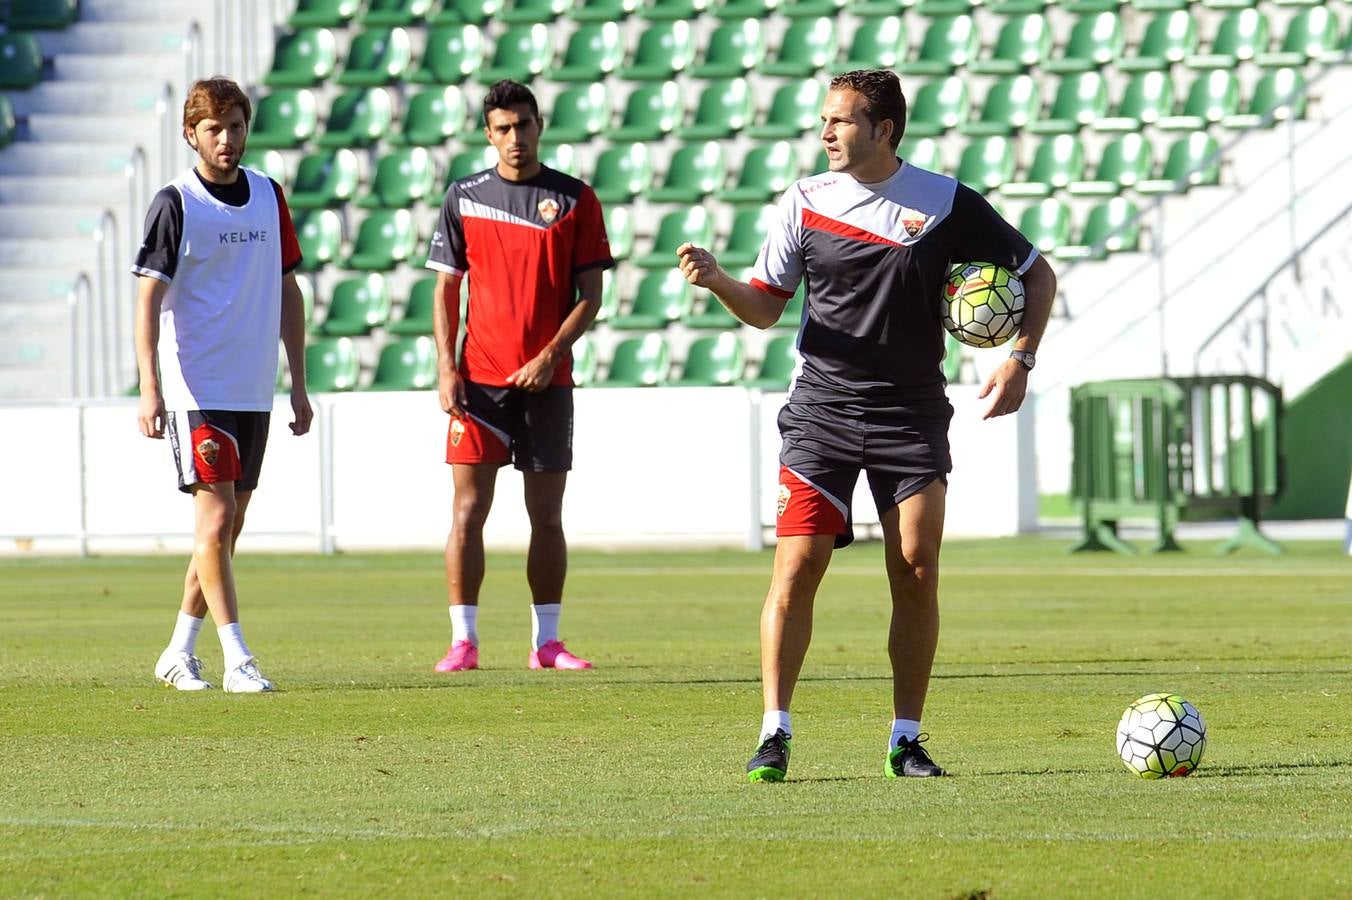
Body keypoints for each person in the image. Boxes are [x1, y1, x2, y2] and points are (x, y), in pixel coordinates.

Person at [677, 69, 1057, 781]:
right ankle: (774, 733)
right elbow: (765, 305)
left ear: (884, 130)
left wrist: (1020, 360)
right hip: (820, 411)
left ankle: (905, 740)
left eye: (841, 121)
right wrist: (718, 279)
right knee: (797, 566)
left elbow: (1038, 275)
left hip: (910, 415)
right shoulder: (805, 200)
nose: (825, 133)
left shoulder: (945, 202)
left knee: (916, 569)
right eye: (824, 121)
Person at [425, 80, 613, 672]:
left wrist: (550, 355)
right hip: (477, 383)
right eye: (503, 128)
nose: (515, 138)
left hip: (547, 384)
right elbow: (446, 288)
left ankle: (547, 643)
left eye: (524, 125)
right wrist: (445, 367)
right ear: (488, 134)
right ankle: (464, 640)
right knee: (466, 512)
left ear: (539, 126)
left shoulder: (575, 199)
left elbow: (592, 295)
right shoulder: (464, 196)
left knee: (547, 516)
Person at [133, 76, 312, 694]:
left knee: (226, 530)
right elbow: (148, 296)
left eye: (236, 126)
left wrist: (299, 384)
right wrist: (149, 386)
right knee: (215, 521)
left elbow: (289, 288)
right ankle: (238, 657)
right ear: (191, 134)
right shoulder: (176, 202)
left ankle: (178, 650)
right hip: (196, 387)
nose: (227, 139)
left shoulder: (268, 195)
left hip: (253, 386)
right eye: (214, 128)